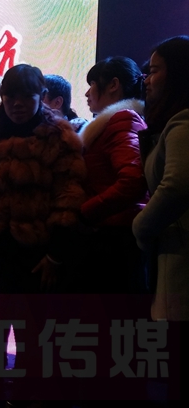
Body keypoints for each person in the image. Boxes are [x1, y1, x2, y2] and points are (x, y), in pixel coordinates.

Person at [0, 64, 86, 400]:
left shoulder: (59, 137)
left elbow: (68, 201)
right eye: (10, 97)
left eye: (27, 96)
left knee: (34, 335)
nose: (18, 104)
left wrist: (55, 255)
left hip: (38, 254)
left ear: (41, 96)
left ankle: (29, 398)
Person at [78, 57, 149, 294]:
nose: (87, 93)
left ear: (113, 85)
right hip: (111, 236)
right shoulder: (114, 122)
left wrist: (85, 213)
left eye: (92, 84)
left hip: (114, 241)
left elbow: (132, 180)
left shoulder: (123, 119)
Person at [133, 36, 189, 322]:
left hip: (180, 262)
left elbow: (176, 186)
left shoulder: (184, 122)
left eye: (154, 71)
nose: (146, 80)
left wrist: (141, 228)